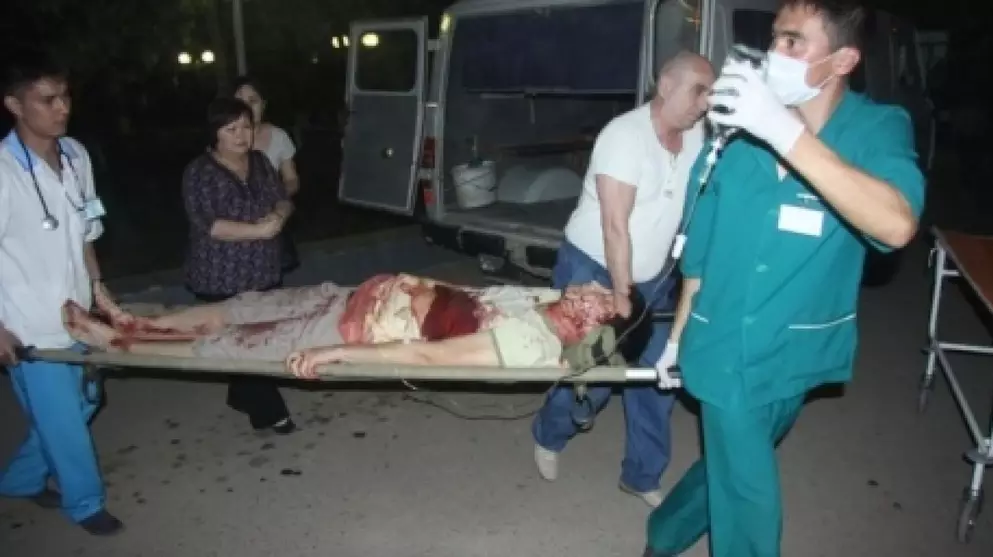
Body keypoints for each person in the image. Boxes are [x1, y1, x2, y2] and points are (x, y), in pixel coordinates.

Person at [645, 1, 925, 556]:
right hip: (722, 345)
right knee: (749, 495)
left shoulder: (876, 129)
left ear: (843, 60)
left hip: (795, 354)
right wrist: (677, 338)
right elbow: (701, 254)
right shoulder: (737, 135)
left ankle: (665, 533)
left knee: (733, 461)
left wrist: (783, 132)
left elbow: (896, 225)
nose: (775, 52)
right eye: (774, 38)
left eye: (794, 41)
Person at [532, 51, 715, 507]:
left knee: (657, 375)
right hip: (594, 268)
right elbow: (615, 226)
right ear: (666, 87)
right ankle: (549, 433)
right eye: (699, 91)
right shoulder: (624, 137)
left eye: (710, 93)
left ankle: (642, 474)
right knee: (592, 373)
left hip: (655, 277)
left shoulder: (697, 136)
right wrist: (621, 295)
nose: (705, 102)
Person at [0, 52, 124, 535]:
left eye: (65, 96)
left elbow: (86, 231)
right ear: (14, 104)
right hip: (29, 323)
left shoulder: (75, 155)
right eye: (47, 100)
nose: (62, 108)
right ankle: (85, 503)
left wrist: (99, 291)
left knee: (87, 400)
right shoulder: (3, 170)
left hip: (77, 313)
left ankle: (19, 478)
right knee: (64, 422)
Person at [60, 274, 635, 378]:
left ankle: (118, 345)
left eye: (600, 297)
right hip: (355, 295)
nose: (589, 286)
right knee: (240, 306)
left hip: (351, 332)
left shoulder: (530, 343)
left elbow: (428, 358)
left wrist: (338, 355)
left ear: (593, 324)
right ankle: (137, 320)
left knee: (229, 346)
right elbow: (467, 291)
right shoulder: (547, 299)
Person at [181, 97, 297, 435]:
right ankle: (272, 413)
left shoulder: (260, 162)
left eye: (246, 127)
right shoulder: (199, 172)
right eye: (230, 129)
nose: (241, 135)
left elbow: (282, 198)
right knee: (246, 344)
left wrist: (279, 215)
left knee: (258, 338)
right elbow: (210, 224)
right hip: (221, 275)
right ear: (214, 133)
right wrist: (258, 231)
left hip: (263, 270)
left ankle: (241, 392)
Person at [233, 76, 301, 273]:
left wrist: (276, 201)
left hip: (268, 217)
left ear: (263, 105)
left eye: (253, 101)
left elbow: (292, 179)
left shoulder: (279, 136)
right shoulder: (223, 139)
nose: (246, 107)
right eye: (239, 101)